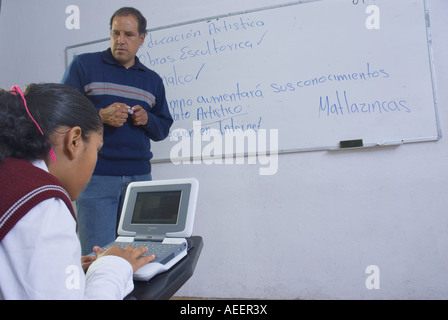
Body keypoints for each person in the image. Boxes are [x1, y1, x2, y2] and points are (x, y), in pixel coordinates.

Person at [0, 83, 154, 299]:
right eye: (97, 149)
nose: (96, 160)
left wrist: (64, 267)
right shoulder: (43, 204)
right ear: (74, 141)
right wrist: (114, 265)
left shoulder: (10, 174)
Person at [62, 7, 173, 255]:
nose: (120, 40)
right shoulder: (84, 65)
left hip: (140, 180)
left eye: (129, 35)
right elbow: (61, 115)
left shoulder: (152, 80)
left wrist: (148, 120)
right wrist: (99, 116)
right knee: (98, 256)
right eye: (115, 33)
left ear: (142, 39)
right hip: (95, 176)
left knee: (140, 254)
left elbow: (163, 128)